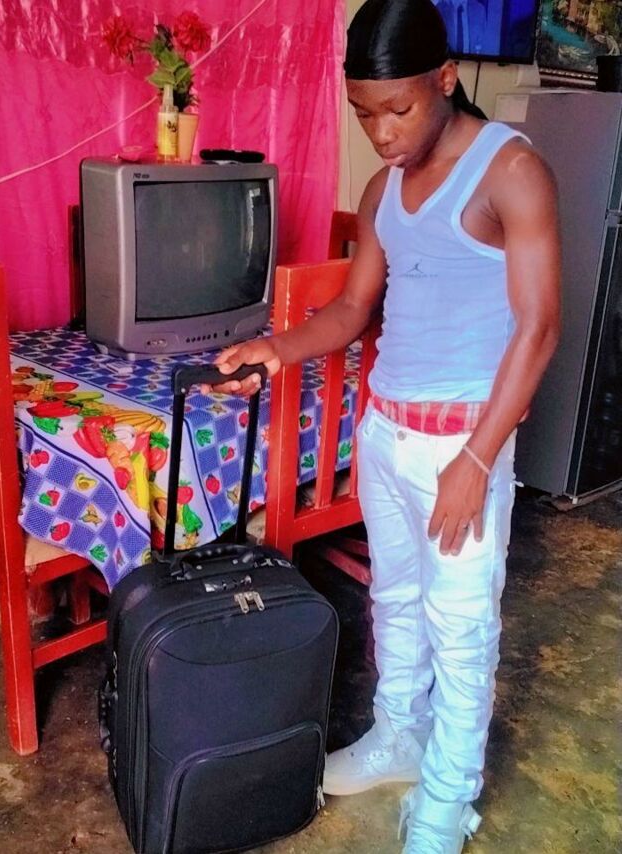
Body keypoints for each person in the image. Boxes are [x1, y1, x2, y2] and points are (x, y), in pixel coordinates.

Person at [202, 1, 561, 850]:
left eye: (398, 109)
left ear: (446, 79)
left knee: (460, 630)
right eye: (364, 115)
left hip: (462, 443)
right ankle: (400, 734)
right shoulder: (382, 191)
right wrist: (275, 348)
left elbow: (539, 326)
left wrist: (479, 458)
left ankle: (448, 796)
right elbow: (354, 308)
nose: (382, 133)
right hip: (388, 431)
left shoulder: (511, 172)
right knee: (393, 599)